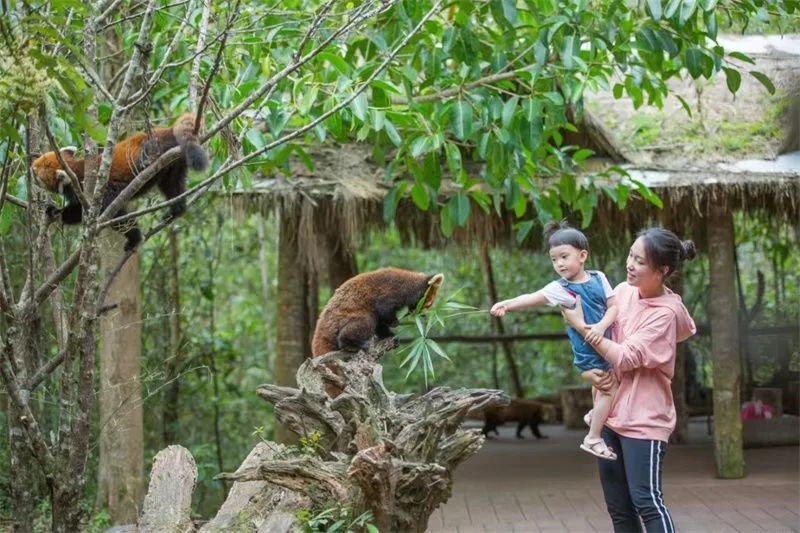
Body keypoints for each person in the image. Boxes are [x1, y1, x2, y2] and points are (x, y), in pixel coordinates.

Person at [561, 227, 697, 533]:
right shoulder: (621, 292)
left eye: (640, 261)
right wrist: (585, 370)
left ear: (662, 270)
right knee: (619, 509)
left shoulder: (665, 313)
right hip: (610, 416)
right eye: (630, 256)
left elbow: (624, 356)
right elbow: (599, 346)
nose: (630, 264)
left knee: (646, 501)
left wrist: (581, 326)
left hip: (644, 420)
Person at [490, 221, 619, 460]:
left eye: (564, 256)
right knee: (609, 389)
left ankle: (594, 415)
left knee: (601, 388)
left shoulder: (599, 277)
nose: (559, 264)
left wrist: (601, 326)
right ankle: (593, 437)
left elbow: (614, 307)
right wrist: (506, 305)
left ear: (582, 256)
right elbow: (531, 298)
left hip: (606, 343)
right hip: (588, 352)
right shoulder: (560, 288)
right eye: (554, 259)